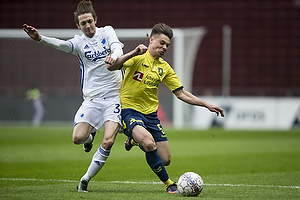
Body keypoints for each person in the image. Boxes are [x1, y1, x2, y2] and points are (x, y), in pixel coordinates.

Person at [107, 23, 224, 194]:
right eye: (162, 43)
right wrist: (132, 52)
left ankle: (132, 140)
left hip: (151, 116)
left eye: (167, 45)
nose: (164, 47)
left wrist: (206, 104)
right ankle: (170, 184)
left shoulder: (165, 68)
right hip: (129, 111)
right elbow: (112, 66)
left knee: (165, 159)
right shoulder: (137, 57)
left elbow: (181, 93)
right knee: (148, 143)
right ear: (151, 40)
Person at [23, 0, 124, 192]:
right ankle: (90, 137)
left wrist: (114, 56)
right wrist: (39, 38)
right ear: (78, 25)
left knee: (109, 140)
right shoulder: (78, 42)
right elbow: (61, 44)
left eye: (89, 21)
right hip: (92, 99)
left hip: (114, 97)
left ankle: (85, 179)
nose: (87, 26)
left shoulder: (107, 31)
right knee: (78, 138)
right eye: (83, 23)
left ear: (95, 20)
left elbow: (117, 46)